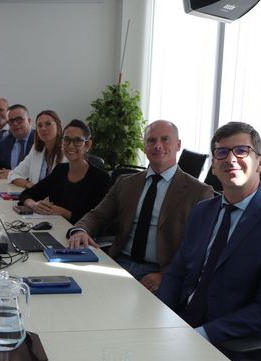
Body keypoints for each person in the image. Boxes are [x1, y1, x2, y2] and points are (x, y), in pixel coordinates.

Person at [157, 122, 261, 344]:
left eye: (241, 151)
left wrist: (200, 335)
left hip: (228, 343)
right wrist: (162, 318)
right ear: (213, 166)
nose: (230, 159)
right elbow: (177, 273)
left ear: (260, 162)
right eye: (221, 152)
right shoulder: (202, 211)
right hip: (178, 325)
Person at [67, 120, 214, 291]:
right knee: (78, 291)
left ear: (178, 145)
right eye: (151, 140)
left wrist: (167, 275)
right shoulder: (125, 183)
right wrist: (80, 231)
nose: (158, 145)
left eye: (165, 139)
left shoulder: (199, 192)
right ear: (144, 147)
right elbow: (98, 215)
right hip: (118, 263)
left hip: (160, 273)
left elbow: (199, 249)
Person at [19, 119, 110, 223]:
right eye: (66, 139)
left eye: (77, 141)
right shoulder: (60, 170)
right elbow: (27, 194)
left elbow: (100, 220)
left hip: (79, 232)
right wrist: (33, 204)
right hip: (54, 228)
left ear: (87, 145)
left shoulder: (101, 179)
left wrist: (65, 213)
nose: (70, 145)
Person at [7, 110, 64, 188]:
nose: (43, 128)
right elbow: (13, 174)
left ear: (58, 126)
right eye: (39, 125)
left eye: (48, 124)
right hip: (36, 195)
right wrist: (29, 185)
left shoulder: (67, 151)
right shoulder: (36, 150)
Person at [0, 104, 35, 174]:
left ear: (29, 121)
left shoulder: (39, 140)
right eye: (11, 121)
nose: (15, 124)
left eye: (19, 119)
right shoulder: (6, 139)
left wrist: (13, 174)